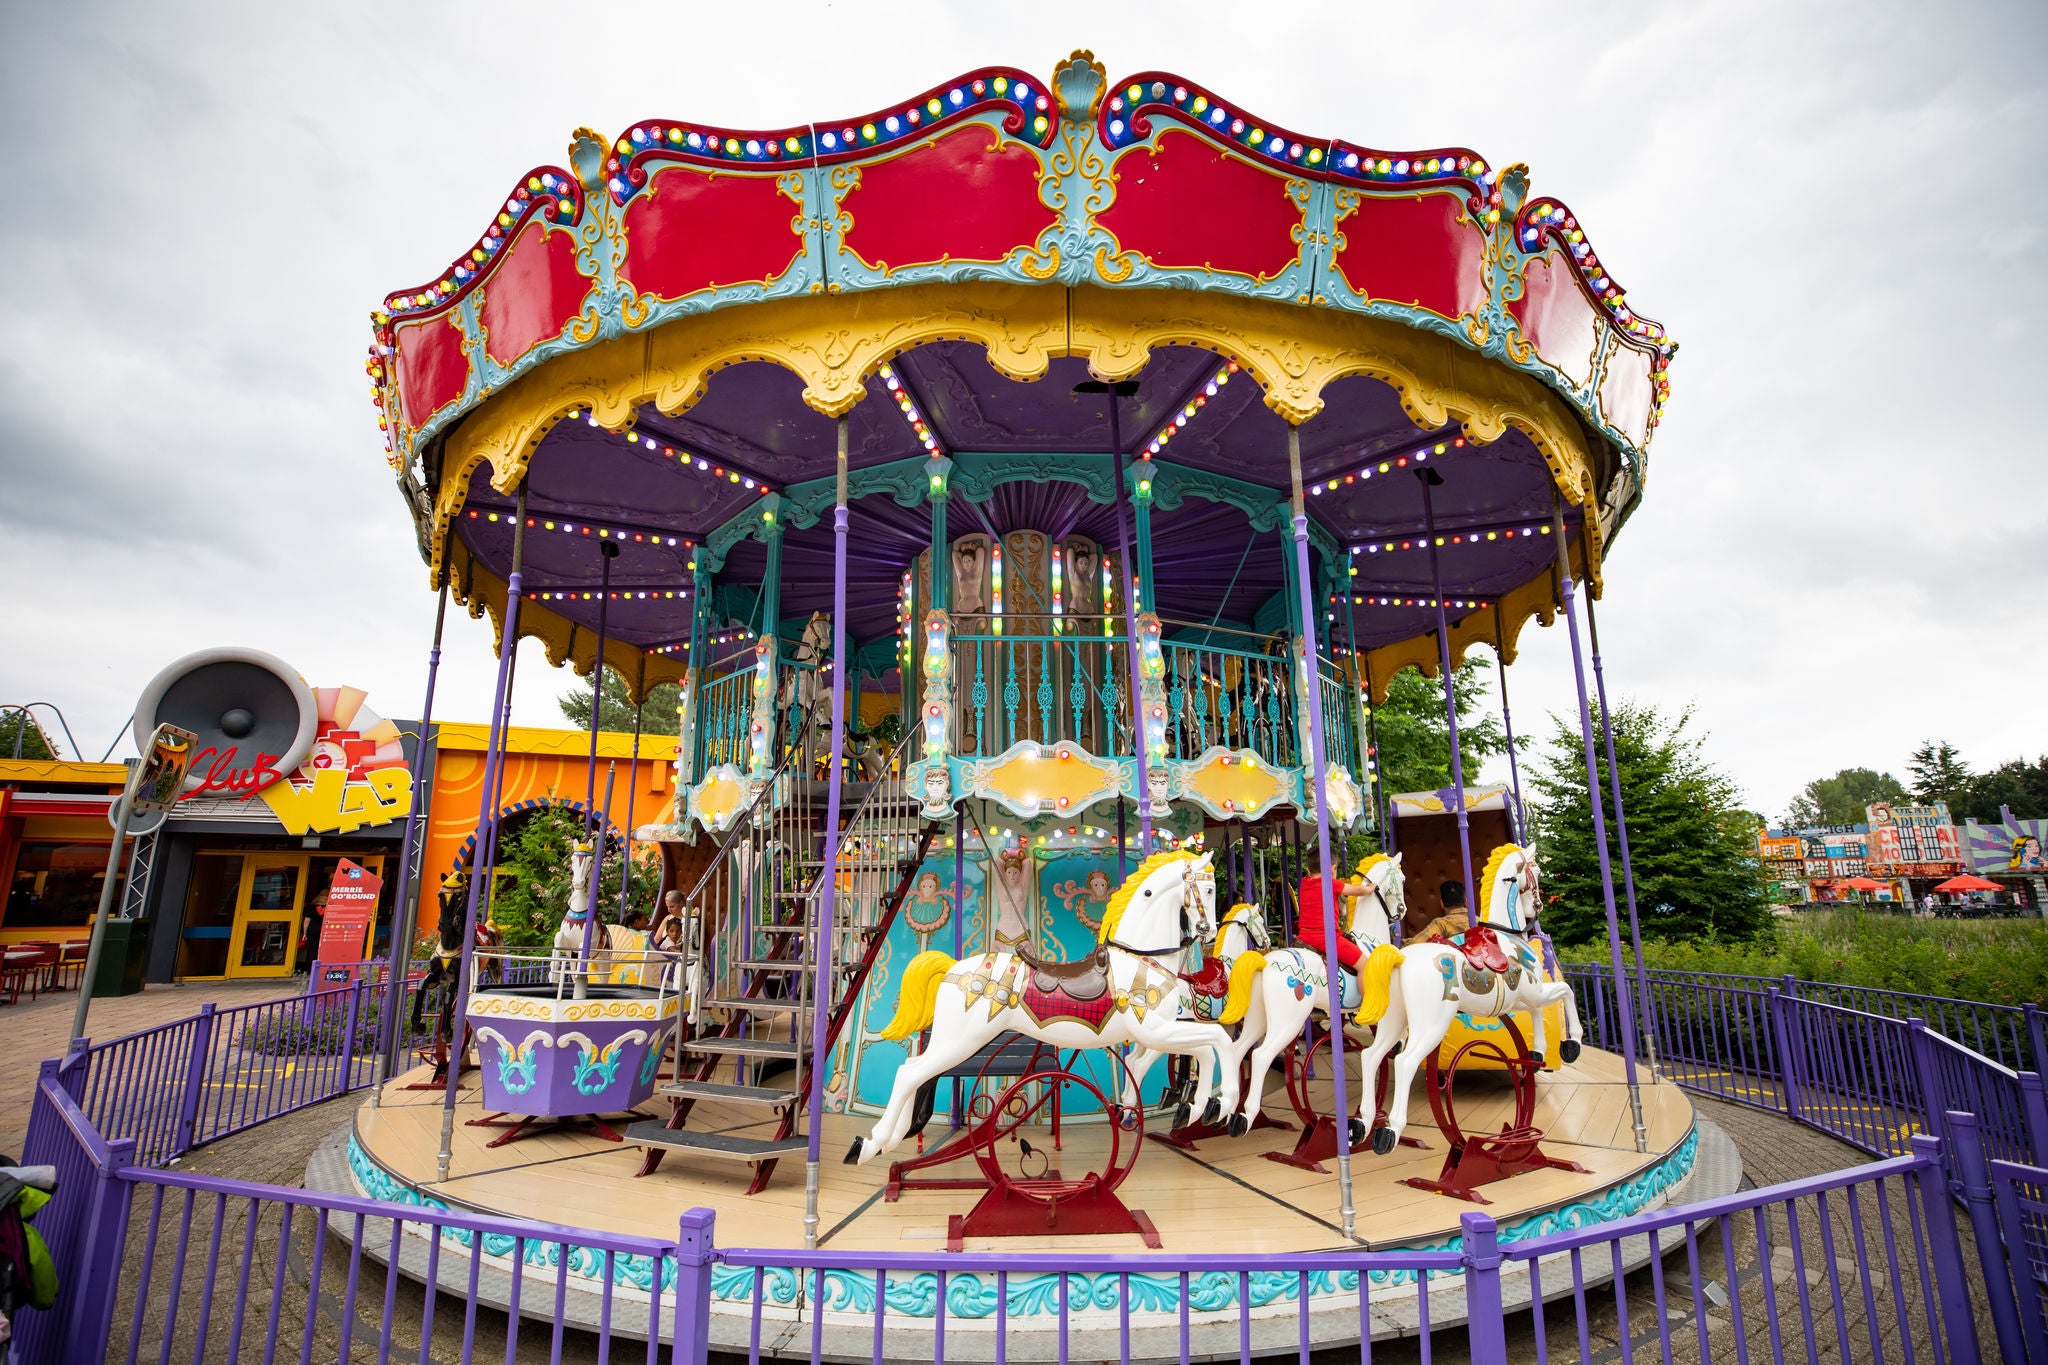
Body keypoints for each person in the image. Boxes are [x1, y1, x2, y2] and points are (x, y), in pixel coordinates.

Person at [1293, 868, 1375, 973]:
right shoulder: (1330, 883)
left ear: (1309, 870)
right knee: (1365, 965)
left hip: (1304, 936)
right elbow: (1359, 890)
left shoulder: (1304, 883)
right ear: (1333, 869)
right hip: (1325, 938)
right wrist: (1370, 888)